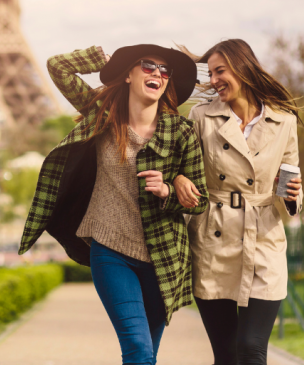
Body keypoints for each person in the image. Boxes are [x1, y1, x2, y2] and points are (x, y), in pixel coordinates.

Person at [19, 44, 209, 365]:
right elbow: (57, 67)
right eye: (148, 66)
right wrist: (99, 60)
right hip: (110, 251)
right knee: (138, 347)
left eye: (165, 71)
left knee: (146, 354)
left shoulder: (181, 132)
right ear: (128, 75)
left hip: (163, 256)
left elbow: (199, 200)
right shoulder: (103, 116)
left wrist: (168, 191)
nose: (157, 74)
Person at [172, 39, 303, 365]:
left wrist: (292, 195)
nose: (213, 79)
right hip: (213, 237)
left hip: (264, 239)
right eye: (211, 72)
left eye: (220, 71)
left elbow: (290, 177)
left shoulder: (283, 120)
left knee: (252, 346)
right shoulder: (202, 117)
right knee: (227, 354)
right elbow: (180, 165)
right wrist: (178, 179)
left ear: (243, 68)